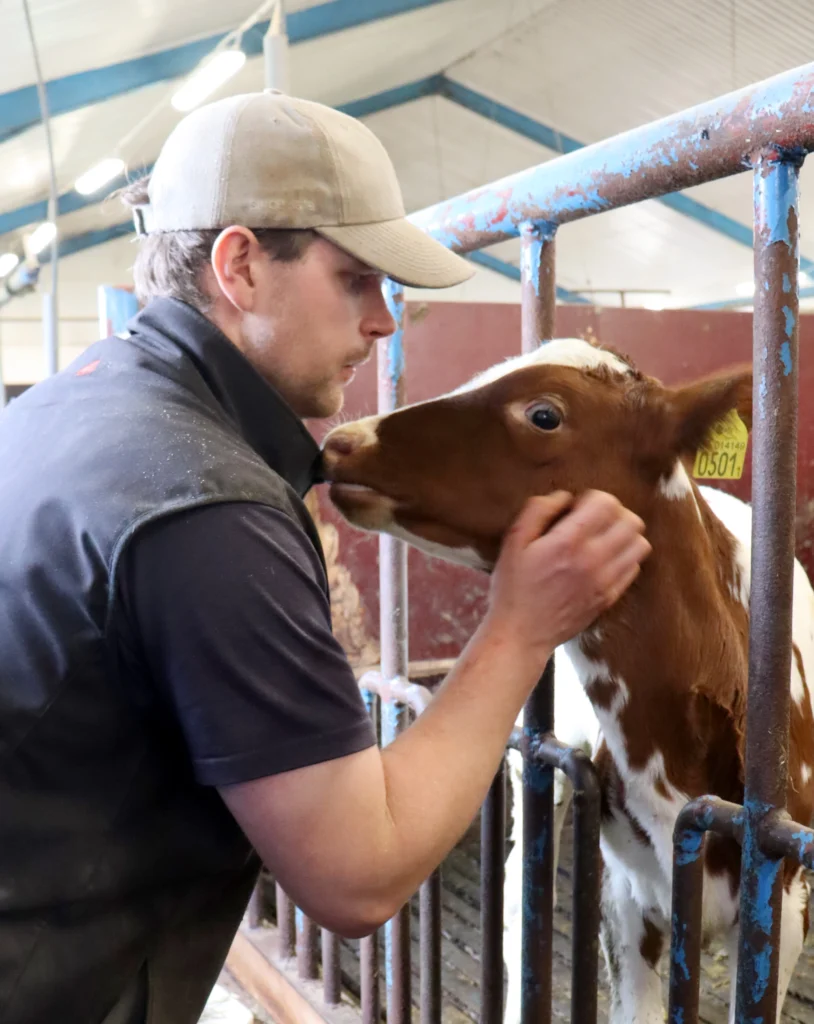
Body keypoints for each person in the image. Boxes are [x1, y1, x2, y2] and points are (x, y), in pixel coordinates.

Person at [0, 90, 650, 1024]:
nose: (385, 320)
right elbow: (357, 875)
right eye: (356, 279)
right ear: (241, 265)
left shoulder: (71, 405)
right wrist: (520, 626)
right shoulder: (204, 503)